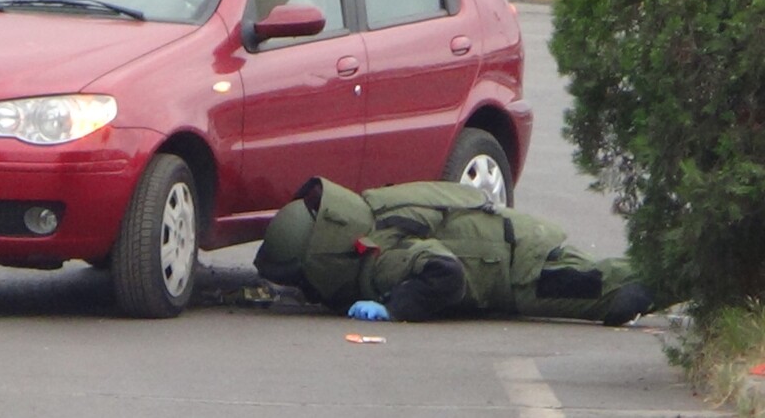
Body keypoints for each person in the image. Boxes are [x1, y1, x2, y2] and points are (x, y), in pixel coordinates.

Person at [253, 177, 659, 325]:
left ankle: (707, 272)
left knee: (613, 293)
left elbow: (445, 274)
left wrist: (395, 307)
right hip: (510, 244)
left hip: (520, 267)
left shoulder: (381, 257)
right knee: (614, 285)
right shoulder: (369, 214)